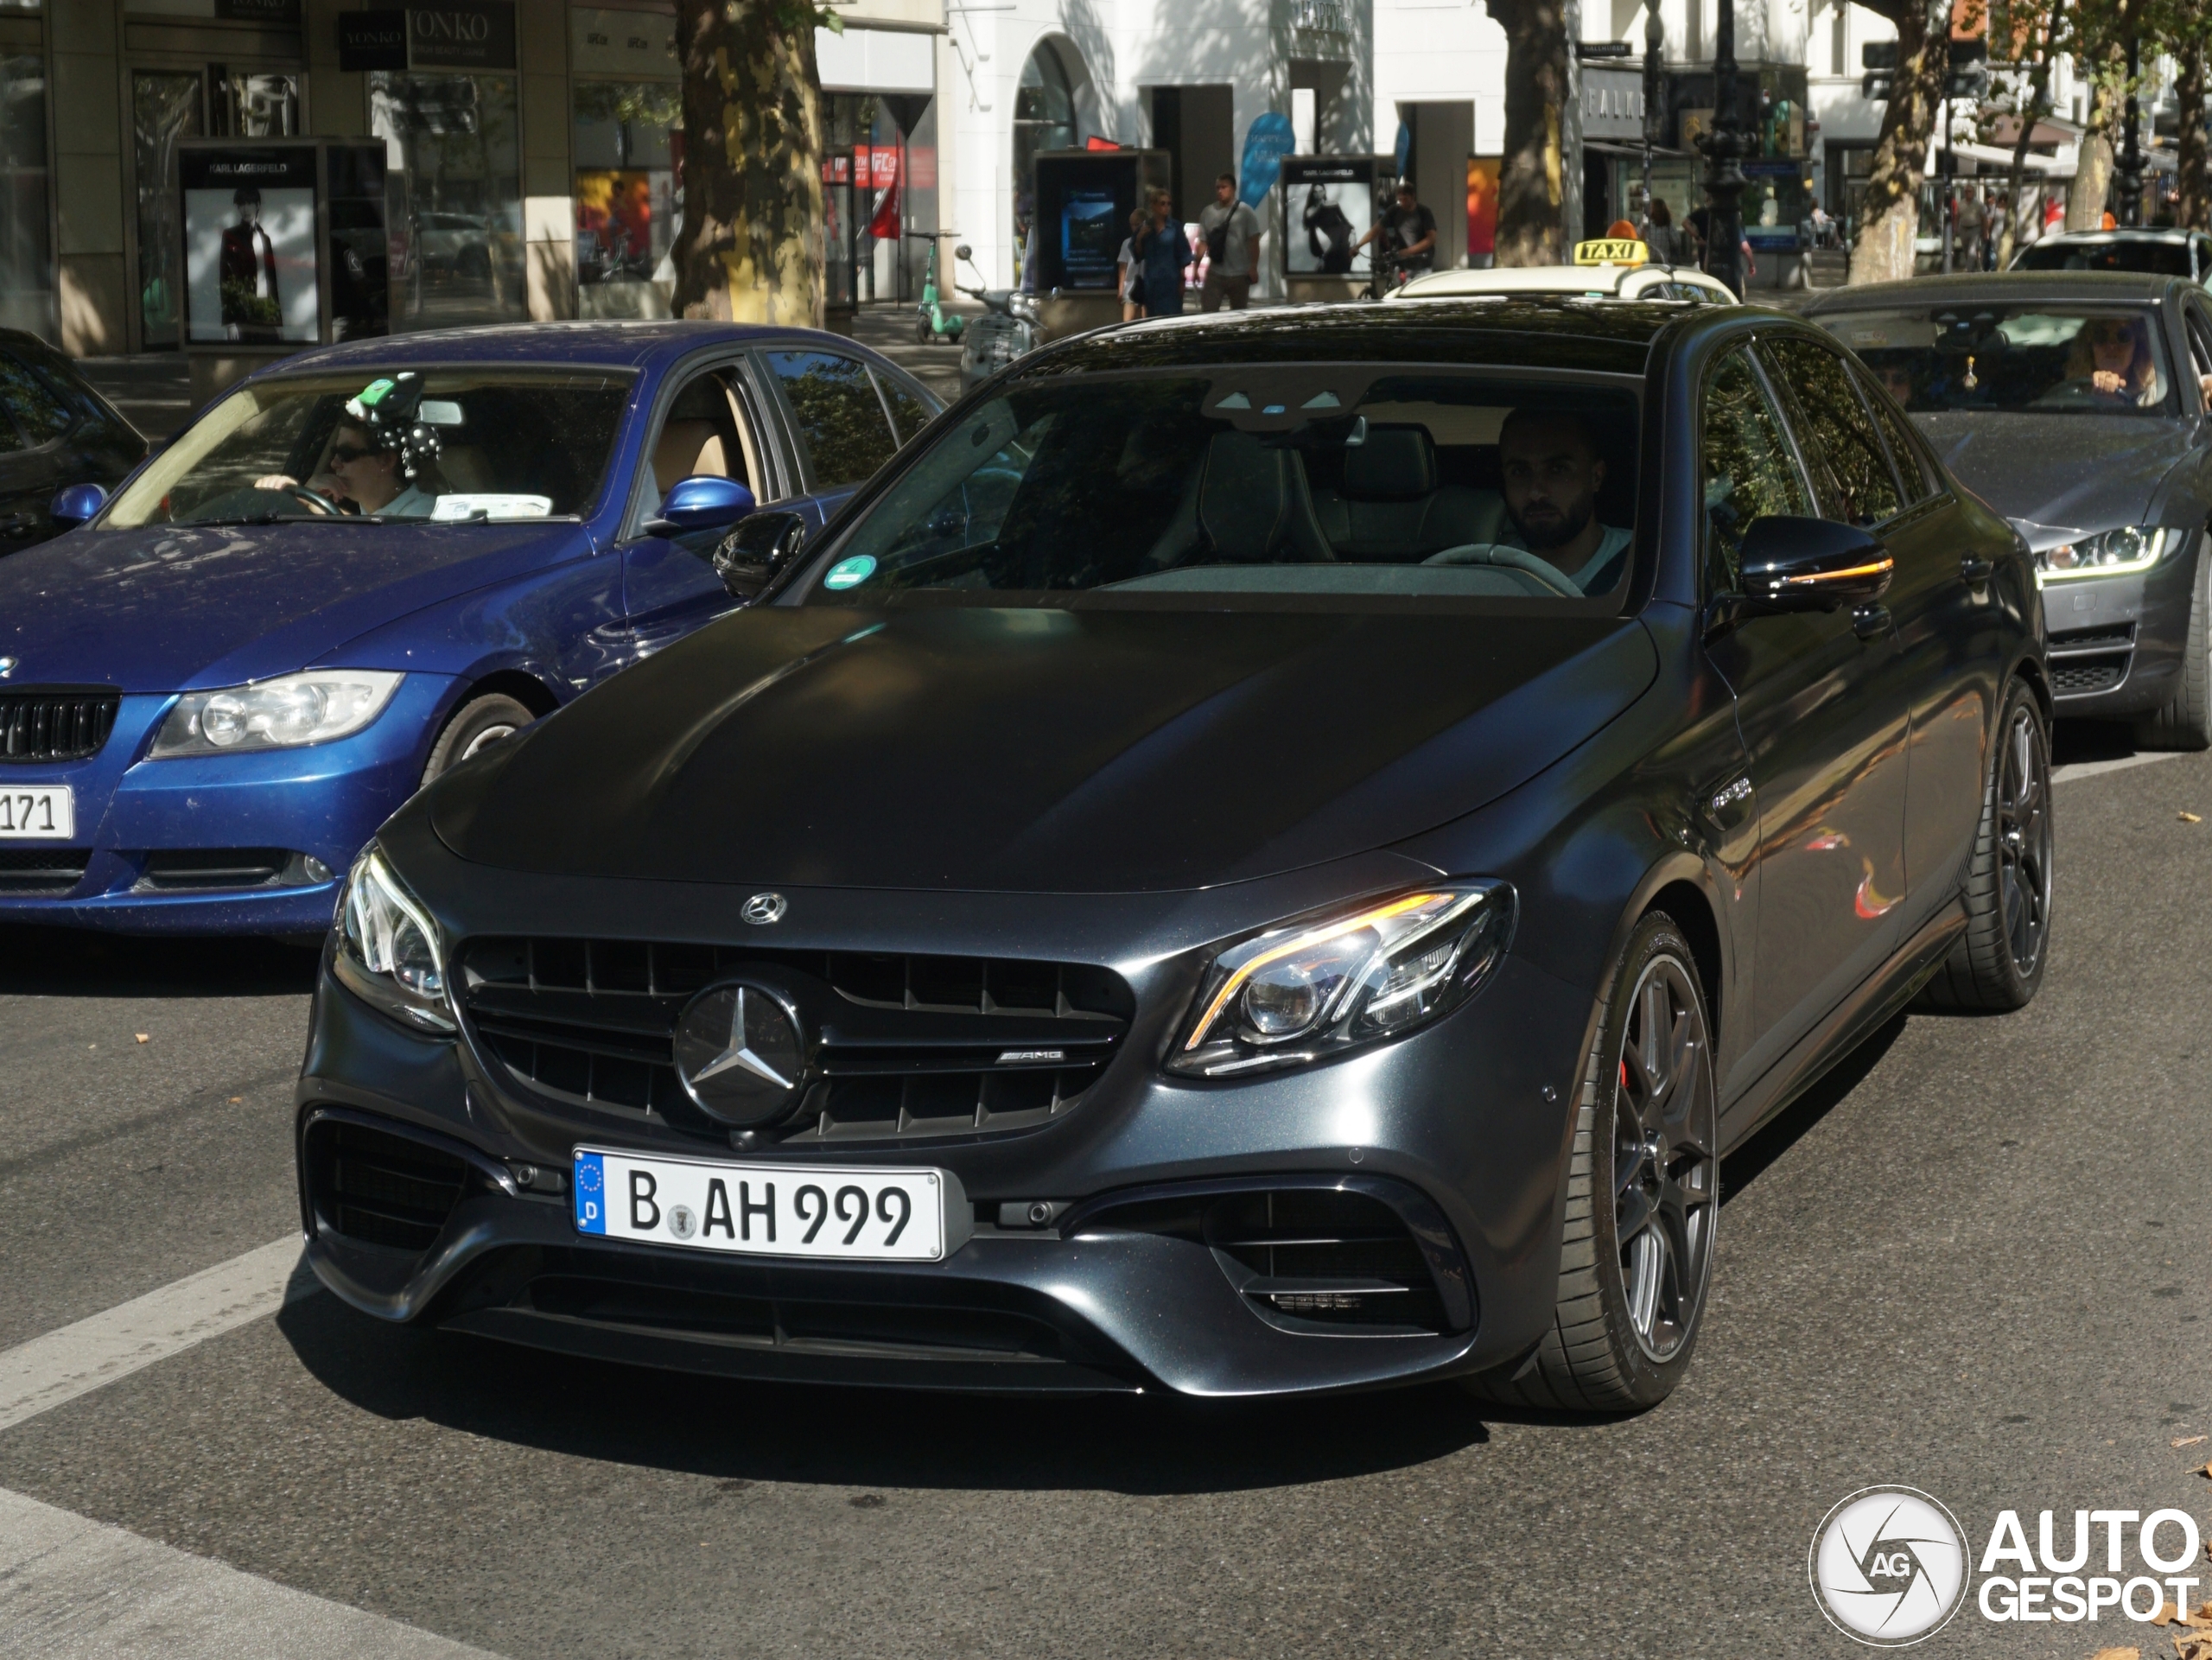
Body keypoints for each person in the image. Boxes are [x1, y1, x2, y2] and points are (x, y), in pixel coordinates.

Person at [218, 185, 282, 343]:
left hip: (265, 311)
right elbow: (225, 276)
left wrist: (277, 319)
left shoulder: (265, 238)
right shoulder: (230, 235)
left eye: (249, 203)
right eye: (241, 205)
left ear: (257, 205)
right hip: (242, 311)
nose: (246, 209)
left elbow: (271, 278)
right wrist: (230, 321)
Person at [2063, 315, 2163, 407]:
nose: (2111, 346)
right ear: (2089, 346)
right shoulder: (2071, 394)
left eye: (2123, 336)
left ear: (2137, 347)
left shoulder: (2155, 395)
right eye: (2101, 336)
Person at [1198, 172, 1261, 312]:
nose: (1220, 191)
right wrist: (1196, 266)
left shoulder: (1246, 212)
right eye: (1218, 188)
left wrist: (1253, 266)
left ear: (1233, 189)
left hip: (1239, 274)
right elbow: (1202, 242)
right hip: (1215, 273)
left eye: (1224, 187)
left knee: (1239, 314)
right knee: (1208, 312)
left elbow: (1254, 241)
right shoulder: (1208, 212)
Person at [1358, 182, 1437, 279]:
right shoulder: (1394, 211)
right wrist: (1358, 245)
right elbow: (1376, 229)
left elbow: (1431, 239)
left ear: (1413, 196)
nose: (1402, 202)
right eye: (1400, 199)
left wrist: (1409, 251)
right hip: (1403, 265)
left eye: (1405, 199)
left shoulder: (1424, 212)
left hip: (1422, 264)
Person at [1135, 189, 1194, 318]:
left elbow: (1183, 255)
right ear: (1153, 205)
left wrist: (1182, 282)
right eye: (1163, 203)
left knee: (1172, 320)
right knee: (1152, 320)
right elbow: (1138, 256)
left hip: (1171, 283)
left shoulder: (1175, 227)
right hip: (1152, 284)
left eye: (1169, 204)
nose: (1166, 207)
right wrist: (1139, 238)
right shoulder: (1146, 227)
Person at [1302, 181, 1356, 273]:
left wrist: (1352, 231)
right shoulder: (1311, 210)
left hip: (1340, 236)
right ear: (1313, 194)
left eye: (1321, 191)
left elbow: (1344, 221)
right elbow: (1309, 224)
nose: (1319, 194)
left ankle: (1343, 262)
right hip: (1323, 238)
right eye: (1316, 192)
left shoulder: (1333, 204)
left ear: (1324, 192)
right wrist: (1321, 206)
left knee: (1345, 229)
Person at [1118, 209, 1147, 321]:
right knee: (1127, 323)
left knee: (1146, 321)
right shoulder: (1127, 243)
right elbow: (1122, 267)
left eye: (1137, 224)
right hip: (1130, 288)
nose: (1135, 228)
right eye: (1132, 225)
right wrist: (1121, 290)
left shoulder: (1152, 242)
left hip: (1147, 288)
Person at [1644, 198, 1682, 264]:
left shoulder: (1646, 224)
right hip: (1664, 260)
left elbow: (1636, 236)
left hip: (1649, 260)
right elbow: (1677, 242)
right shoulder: (1668, 224)